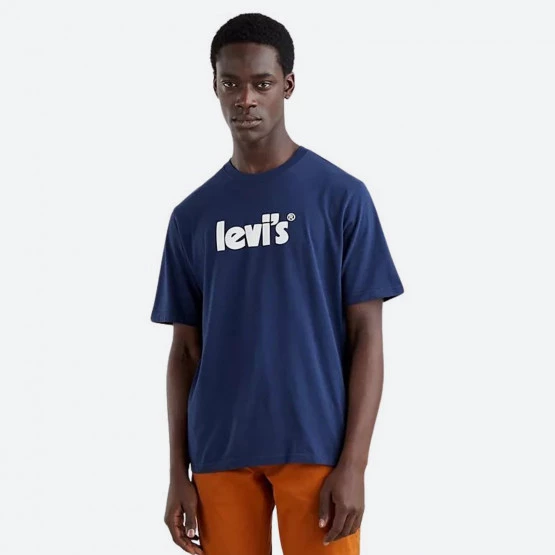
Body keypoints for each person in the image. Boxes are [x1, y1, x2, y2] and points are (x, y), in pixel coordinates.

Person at [150, 12, 404, 555]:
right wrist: (176, 471)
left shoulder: (341, 198)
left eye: (261, 83)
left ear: (287, 85)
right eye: (231, 83)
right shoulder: (191, 216)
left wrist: (355, 463)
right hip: (219, 450)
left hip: (315, 447)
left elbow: (367, 336)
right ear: (214, 87)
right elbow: (184, 352)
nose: (245, 99)